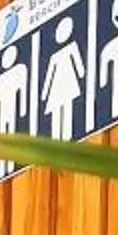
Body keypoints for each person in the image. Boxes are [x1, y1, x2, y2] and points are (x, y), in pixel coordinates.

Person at [40, 15, 85, 144]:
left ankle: (65, 138)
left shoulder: (72, 48)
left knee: (67, 109)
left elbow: (79, 66)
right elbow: (50, 75)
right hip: (57, 87)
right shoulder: (55, 56)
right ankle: (57, 140)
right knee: (57, 112)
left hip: (68, 84)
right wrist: (44, 94)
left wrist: (81, 74)